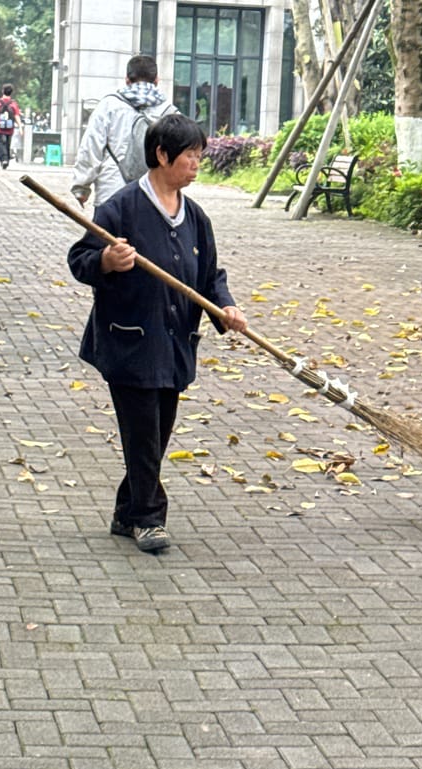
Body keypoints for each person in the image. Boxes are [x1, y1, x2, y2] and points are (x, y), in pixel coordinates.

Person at [68, 114, 248, 553]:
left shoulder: (196, 217)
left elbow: (209, 275)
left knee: (156, 433)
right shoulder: (121, 208)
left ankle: (126, 510)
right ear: (162, 155)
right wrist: (107, 261)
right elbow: (80, 259)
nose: (196, 164)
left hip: (174, 344)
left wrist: (225, 306)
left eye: (200, 155)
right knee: (143, 432)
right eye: (190, 155)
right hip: (130, 341)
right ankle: (148, 519)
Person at [71, 54, 176, 207]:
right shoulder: (170, 113)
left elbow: (91, 147)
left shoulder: (109, 105)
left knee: (105, 231)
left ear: (127, 80)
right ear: (156, 81)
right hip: (153, 196)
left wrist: (81, 187)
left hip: (111, 192)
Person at [0, 84, 23, 169]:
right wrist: (20, 127)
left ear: (2, 91)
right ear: (11, 93)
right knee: (8, 144)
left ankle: (4, 160)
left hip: (0, 127)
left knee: (2, 143)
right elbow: (16, 116)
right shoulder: (13, 104)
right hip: (10, 128)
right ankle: (7, 160)